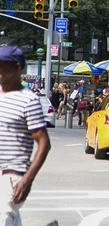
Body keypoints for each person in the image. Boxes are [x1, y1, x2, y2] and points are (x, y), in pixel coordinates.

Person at [0, 46, 51, 225]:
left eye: (2, 65)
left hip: (12, 176)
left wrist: (27, 180)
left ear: (17, 68)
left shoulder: (28, 100)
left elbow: (44, 142)